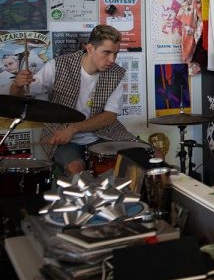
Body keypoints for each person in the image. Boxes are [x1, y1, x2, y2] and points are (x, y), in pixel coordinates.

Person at [10, 25, 137, 176]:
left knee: (146, 157)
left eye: (115, 53)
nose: (112, 59)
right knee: (75, 169)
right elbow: (19, 98)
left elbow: (110, 115)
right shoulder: (58, 66)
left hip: (103, 134)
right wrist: (17, 85)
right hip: (62, 137)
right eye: (107, 52)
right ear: (90, 48)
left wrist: (74, 128)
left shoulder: (116, 73)